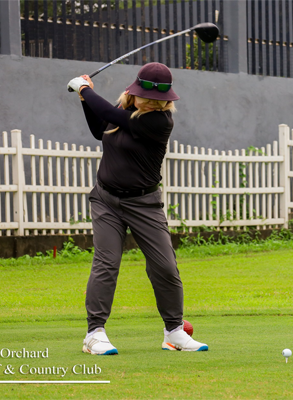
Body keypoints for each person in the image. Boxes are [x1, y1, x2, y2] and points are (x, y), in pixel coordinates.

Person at [67, 62, 208, 355]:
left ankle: (174, 332)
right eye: (148, 97)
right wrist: (84, 99)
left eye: (159, 99)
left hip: (145, 203)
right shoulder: (124, 108)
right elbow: (100, 129)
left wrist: (85, 89)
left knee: (165, 266)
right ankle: (94, 333)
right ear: (135, 91)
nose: (154, 103)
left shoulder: (160, 121)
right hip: (106, 200)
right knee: (107, 262)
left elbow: (109, 114)